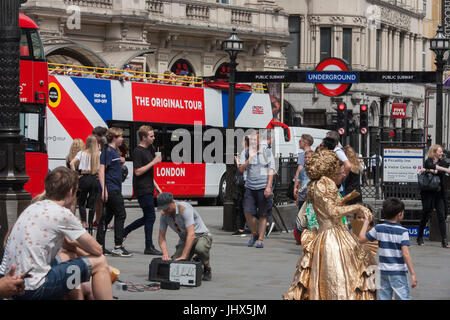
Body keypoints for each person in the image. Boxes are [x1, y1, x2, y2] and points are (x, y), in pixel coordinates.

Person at [0, 167, 113, 300]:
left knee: (68, 256)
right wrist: (76, 245)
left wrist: (72, 248)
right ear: (71, 192)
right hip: (32, 288)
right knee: (100, 262)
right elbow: (97, 249)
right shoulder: (62, 213)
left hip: (7, 279)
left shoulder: (33, 207)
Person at [283, 151, 376, 300]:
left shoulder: (316, 184)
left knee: (325, 276)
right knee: (339, 276)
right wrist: (357, 207)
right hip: (332, 237)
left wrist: (346, 199)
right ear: (330, 170)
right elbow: (332, 211)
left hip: (326, 234)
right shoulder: (326, 183)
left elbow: (327, 207)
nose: (343, 175)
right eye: (340, 173)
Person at [358, 197, 417, 300]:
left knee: (383, 297)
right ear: (400, 214)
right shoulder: (403, 232)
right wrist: (412, 273)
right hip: (398, 272)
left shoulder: (378, 228)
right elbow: (406, 254)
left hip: (382, 271)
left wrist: (367, 222)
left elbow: (361, 239)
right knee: (402, 297)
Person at [123, 126, 163, 255]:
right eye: (151, 136)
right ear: (144, 137)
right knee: (150, 216)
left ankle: (125, 232)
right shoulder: (138, 151)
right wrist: (154, 162)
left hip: (149, 187)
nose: (153, 138)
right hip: (142, 188)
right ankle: (148, 246)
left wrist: (156, 186)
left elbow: (148, 174)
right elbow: (138, 171)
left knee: (148, 217)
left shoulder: (148, 150)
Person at [157, 192, 213, 281]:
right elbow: (161, 236)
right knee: (176, 261)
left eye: (167, 208)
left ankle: (207, 268)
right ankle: (195, 261)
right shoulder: (164, 214)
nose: (165, 211)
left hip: (201, 235)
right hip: (184, 239)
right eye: (163, 209)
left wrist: (184, 255)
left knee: (200, 249)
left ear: (172, 202)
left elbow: (191, 234)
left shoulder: (184, 208)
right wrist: (165, 253)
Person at [96, 127, 132, 257]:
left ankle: (99, 246)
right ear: (114, 138)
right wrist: (104, 190)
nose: (122, 139)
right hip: (111, 189)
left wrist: (121, 160)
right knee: (121, 214)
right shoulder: (107, 152)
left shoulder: (113, 152)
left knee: (105, 218)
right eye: (120, 136)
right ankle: (118, 246)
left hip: (114, 188)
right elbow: (101, 170)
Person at [238, 131, 276, 249]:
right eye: (252, 140)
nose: (254, 142)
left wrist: (268, 187)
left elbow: (271, 170)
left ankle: (260, 239)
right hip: (250, 186)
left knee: (263, 214)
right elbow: (240, 169)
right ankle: (254, 233)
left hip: (263, 186)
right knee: (247, 211)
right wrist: (249, 159)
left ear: (260, 141)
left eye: (256, 140)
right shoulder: (246, 152)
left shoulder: (267, 152)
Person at [418, 144, 450, 248]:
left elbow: (437, 169)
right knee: (426, 214)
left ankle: (444, 240)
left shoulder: (443, 162)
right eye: (440, 152)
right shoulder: (428, 160)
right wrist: (435, 170)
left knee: (441, 215)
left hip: (439, 193)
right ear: (434, 152)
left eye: (442, 152)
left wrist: (431, 170)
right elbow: (430, 166)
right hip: (428, 192)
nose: (441, 153)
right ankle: (420, 236)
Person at [70, 135, 100, 231]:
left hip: (84, 178)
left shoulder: (81, 153)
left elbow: (71, 163)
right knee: (93, 201)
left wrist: (75, 173)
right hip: (95, 178)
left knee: (82, 201)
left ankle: (84, 222)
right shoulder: (99, 153)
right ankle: (91, 222)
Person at [232, 136, 251, 236]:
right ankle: (242, 227)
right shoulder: (252, 152)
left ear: (245, 142)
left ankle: (243, 228)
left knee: (242, 205)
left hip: (244, 182)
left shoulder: (244, 152)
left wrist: (237, 161)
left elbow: (241, 168)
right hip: (249, 181)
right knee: (245, 204)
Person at [92, 126, 108, 229]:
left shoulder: (106, 147)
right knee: (98, 200)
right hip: (99, 176)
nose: (94, 138)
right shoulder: (100, 146)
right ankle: (98, 220)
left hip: (104, 177)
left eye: (95, 136)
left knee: (102, 201)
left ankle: (103, 221)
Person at [293, 134, 314, 201]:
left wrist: (295, 188)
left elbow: (299, 172)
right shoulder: (314, 153)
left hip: (303, 187)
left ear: (305, 143)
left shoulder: (303, 154)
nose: (299, 143)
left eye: (300, 141)